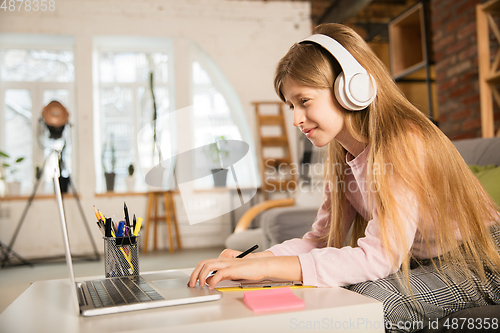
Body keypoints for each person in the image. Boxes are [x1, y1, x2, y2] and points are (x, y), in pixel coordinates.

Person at [188, 23, 500, 331]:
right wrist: (254, 264)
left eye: (304, 101)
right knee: (336, 292)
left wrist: (266, 268)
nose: (296, 119)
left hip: (482, 257)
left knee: (370, 301)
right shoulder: (342, 157)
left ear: (351, 88)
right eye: (291, 106)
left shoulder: (403, 141)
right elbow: (320, 241)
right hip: (428, 260)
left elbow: (380, 257)